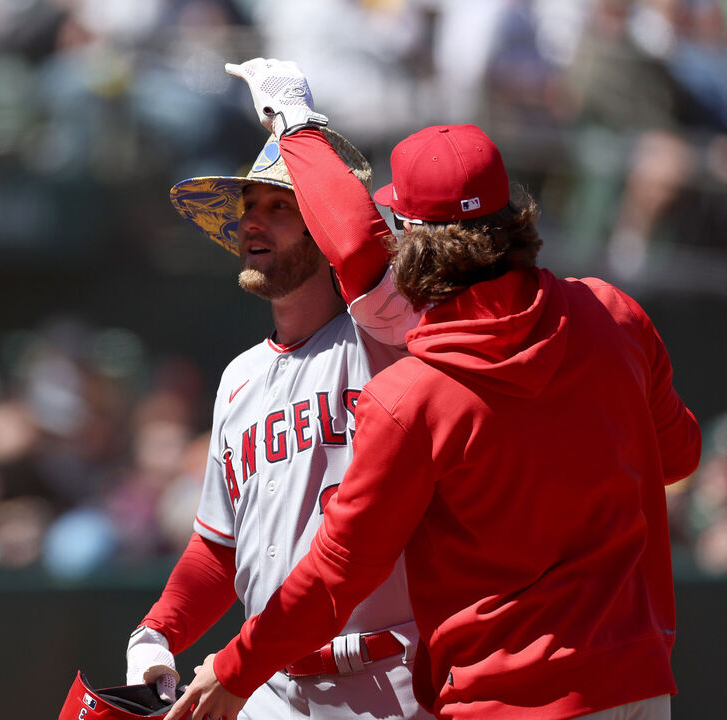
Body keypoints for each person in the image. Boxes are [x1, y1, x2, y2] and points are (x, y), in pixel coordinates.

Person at [168, 59, 702, 720]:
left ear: (413, 239)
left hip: (506, 697)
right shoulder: (612, 313)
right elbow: (677, 455)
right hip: (637, 684)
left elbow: (338, 572)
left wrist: (235, 667)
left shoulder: (415, 394)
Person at [127, 61, 432, 719]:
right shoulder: (239, 377)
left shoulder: (393, 331)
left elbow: (366, 249)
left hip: (396, 680)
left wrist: (296, 121)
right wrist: (158, 631)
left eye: (280, 206)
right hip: (270, 683)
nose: (252, 224)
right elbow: (219, 547)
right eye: (247, 209)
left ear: (326, 226)